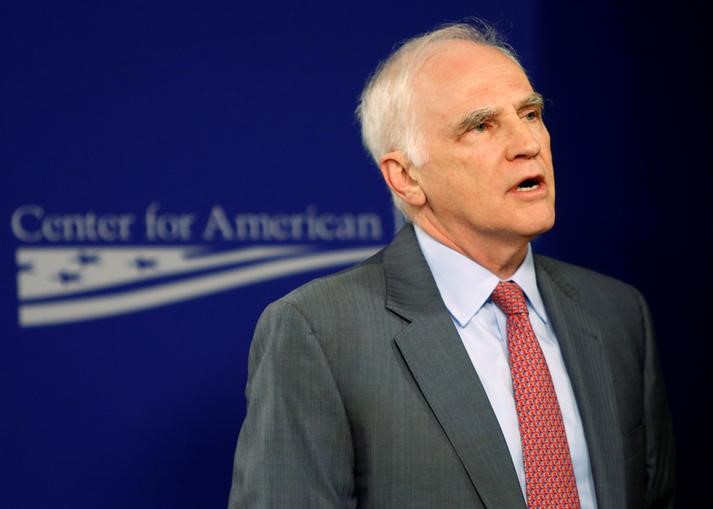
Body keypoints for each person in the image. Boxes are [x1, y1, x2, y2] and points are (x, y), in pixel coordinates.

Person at [227, 20, 676, 509]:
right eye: (481, 125)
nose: (527, 144)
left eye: (530, 114)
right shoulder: (319, 332)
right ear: (405, 178)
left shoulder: (617, 312)